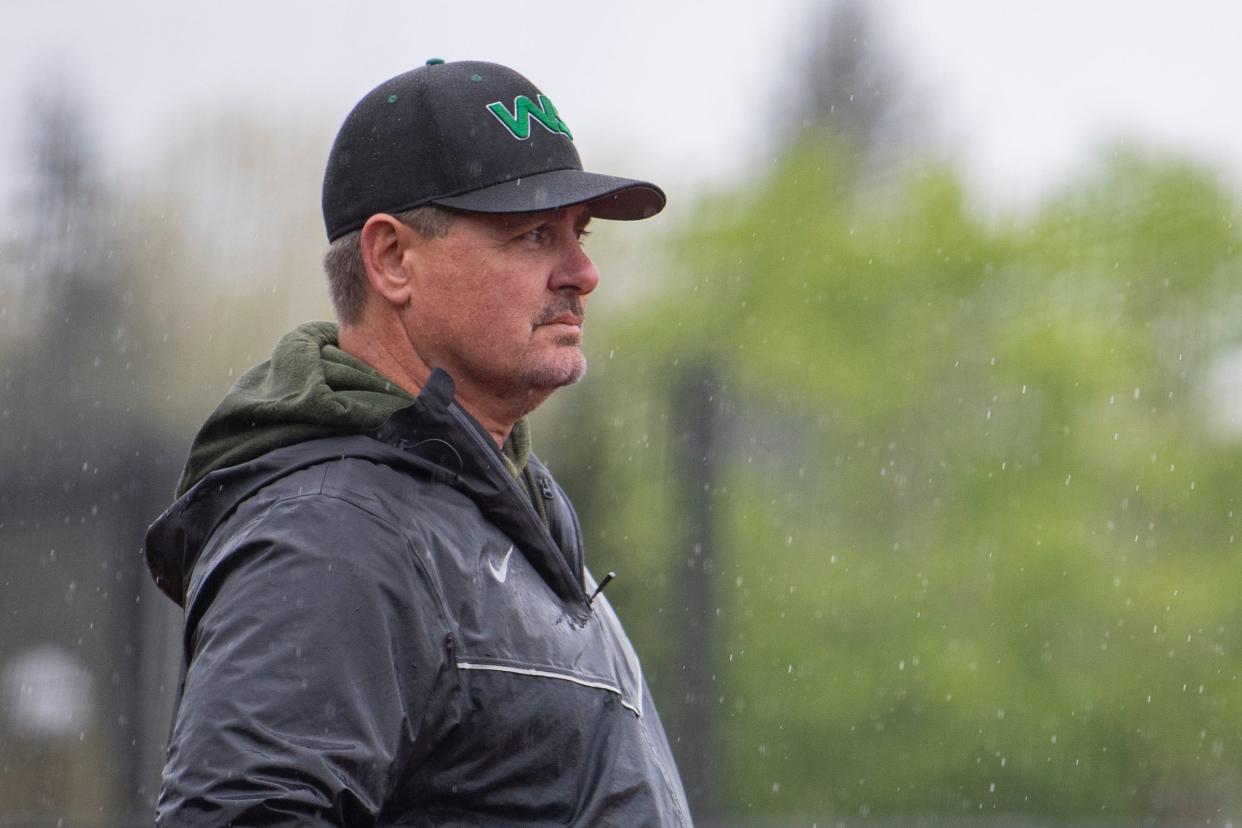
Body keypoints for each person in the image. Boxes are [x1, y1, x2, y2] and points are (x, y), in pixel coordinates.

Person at [144, 59, 692, 826]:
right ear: (392, 259)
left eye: (580, 233)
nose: (583, 272)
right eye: (533, 234)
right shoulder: (333, 530)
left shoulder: (491, 508)